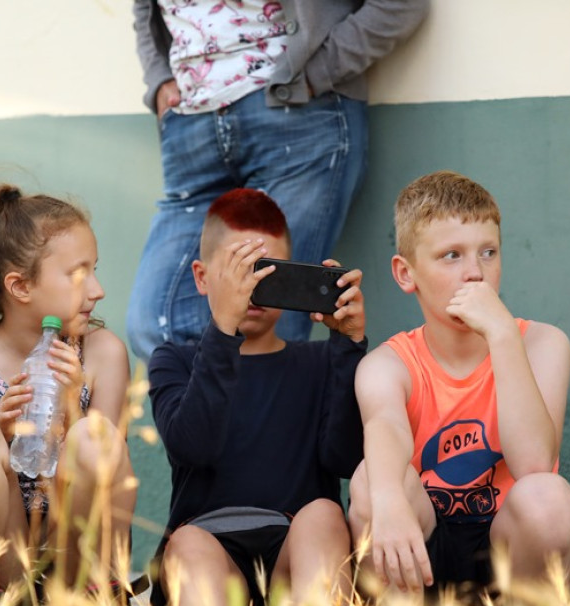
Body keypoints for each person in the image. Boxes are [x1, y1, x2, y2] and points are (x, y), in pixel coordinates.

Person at [126, 0, 430, 362]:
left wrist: (319, 72)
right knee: (157, 325)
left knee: (269, 316)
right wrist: (159, 76)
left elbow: (402, 6)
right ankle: (227, 417)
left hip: (297, 119)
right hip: (190, 129)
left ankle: (261, 416)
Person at [349, 171, 570, 600]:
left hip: (508, 550)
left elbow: (534, 462)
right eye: (451, 256)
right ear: (407, 274)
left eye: (488, 252)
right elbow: (385, 428)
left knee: (550, 496)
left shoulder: (543, 344)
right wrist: (386, 501)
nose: (475, 273)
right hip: (426, 553)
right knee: (372, 480)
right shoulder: (388, 364)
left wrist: (502, 337)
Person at [148, 188, 366, 606]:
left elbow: (344, 458)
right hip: (208, 555)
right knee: (186, 543)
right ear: (203, 278)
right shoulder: (175, 360)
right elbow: (194, 444)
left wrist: (347, 346)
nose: (256, 286)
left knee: (326, 513)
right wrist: (223, 330)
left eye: (271, 271)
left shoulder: (317, 362)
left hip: (295, 555)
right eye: (242, 271)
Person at [0, 184, 135, 606]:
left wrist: (74, 408)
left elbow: (109, 478)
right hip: (1, 559)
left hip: (74, 557)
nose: (97, 290)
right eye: (79, 274)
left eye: (95, 270)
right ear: (20, 287)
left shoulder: (102, 352)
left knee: (94, 435)